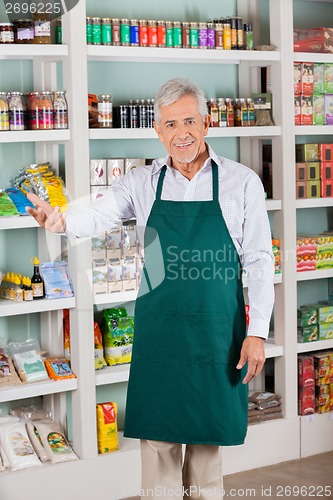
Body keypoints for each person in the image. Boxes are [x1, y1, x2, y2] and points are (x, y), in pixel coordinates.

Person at [27, 78, 274, 500]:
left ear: (207, 123)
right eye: (171, 124)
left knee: (206, 443)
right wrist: (62, 221)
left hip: (218, 332)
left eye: (190, 121)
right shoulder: (141, 182)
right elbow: (101, 214)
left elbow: (260, 261)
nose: (182, 133)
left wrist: (258, 333)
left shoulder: (242, 181)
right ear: (158, 131)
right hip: (160, 332)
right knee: (158, 441)